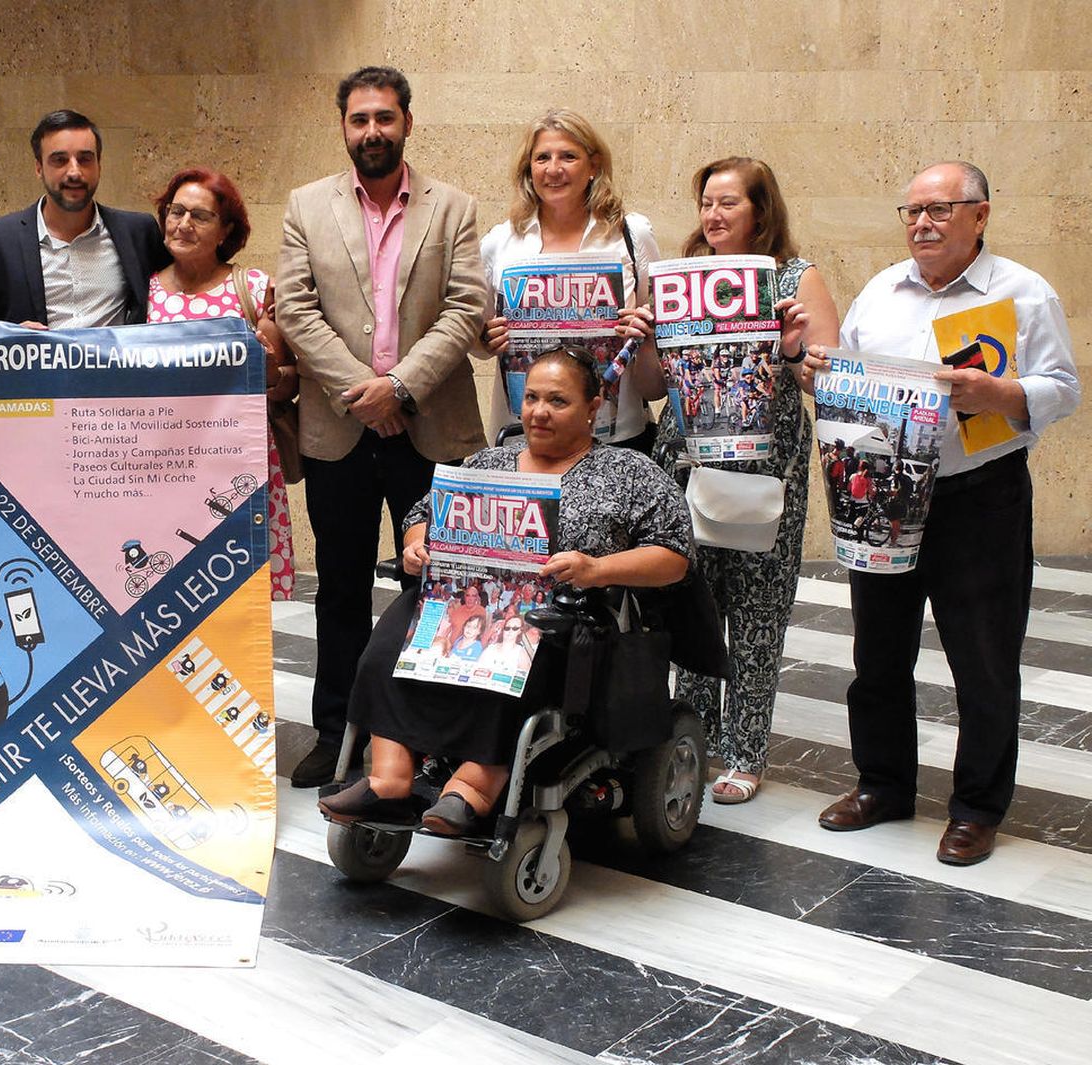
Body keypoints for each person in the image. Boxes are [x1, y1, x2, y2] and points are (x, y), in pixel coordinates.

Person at [815, 161, 1080, 865]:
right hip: (887, 493)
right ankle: (882, 784)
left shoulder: (1023, 294)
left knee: (984, 661)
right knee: (878, 653)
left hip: (979, 497)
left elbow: (1062, 387)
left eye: (939, 210)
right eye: (912, 211)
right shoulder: (880, 291)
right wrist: (825, 374)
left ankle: (976, 807)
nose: (922, 224)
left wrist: (998, 395)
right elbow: (854, 381)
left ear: (980, 216)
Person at [318, 348, 691, 834]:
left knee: (514, 644)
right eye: (532, 397)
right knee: (395, 632)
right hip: (467, 596)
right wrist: (416, 546)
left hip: (563, 612)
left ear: (593, 406)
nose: (538, 411)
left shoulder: (627, 472)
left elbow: (675, 556)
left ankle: (475, 786)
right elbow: (420, 516)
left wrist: (596, 567)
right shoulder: (486, 462)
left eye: (558, 401)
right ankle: (389, 780)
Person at [277, 66, 489, 787]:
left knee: (439, 582)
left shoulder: (453, 207)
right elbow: (295, 311)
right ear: (344, 126)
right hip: (337, 430)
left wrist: (399, 386)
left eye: (385, 117)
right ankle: (337, 731)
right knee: (338, 586)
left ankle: (432, 735)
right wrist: (361, 392)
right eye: (359, 118)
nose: (373, 130)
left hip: (431, 427)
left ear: (407, 122)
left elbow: (466, 308)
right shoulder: (306, 206)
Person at [648, 157, 841, 805]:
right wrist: (645, 334)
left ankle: (747, 751)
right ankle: (692, 739)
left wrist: (790, 348)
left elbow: (827, 372)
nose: (714, 214)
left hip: (766, 471)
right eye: (706, 201)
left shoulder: (794, 275)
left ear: (762, 210)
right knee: (693, 607)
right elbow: (656, 379)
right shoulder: (679, 277)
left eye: (729, 201)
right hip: (687, 463)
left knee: (758, 614)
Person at [142, 167, 297, 600]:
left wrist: (266, 368)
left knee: (239, 599)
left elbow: (286, 383)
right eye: (176, 212)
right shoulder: (143, 292)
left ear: (226, 229)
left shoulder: (252, 288)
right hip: (160, 468)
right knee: (166, 592)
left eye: (200, 216)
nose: (183, 224)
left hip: (237, 472)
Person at [478, 110, 662, 452]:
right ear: (528, 169)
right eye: (542, 158)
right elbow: (479, 336)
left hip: (618, 435)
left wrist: (644, 327)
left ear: (593, 166)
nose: (553, 169)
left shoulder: (631, 233)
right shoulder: (499, 243)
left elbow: (659, 322)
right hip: (526, 436)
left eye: (568, 156)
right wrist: (487, 340)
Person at [0, 109, 168, 327]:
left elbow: (178, 293)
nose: (74, 172)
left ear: (99, 165)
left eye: (85, 159)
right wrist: (9, 339)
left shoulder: (139, 232)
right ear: (39, 168)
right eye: (60, 160)